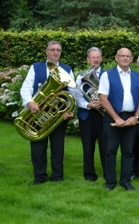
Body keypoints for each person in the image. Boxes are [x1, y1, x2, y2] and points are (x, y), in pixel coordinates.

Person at [20, 40, 75, 185]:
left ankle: (57, 176)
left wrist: (69, 110)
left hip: (57, 115)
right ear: (46, 51)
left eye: (58, 50)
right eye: (52, 49)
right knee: (38, 147)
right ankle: (39, 177)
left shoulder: (67, 69)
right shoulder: (36, 67)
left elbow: (73, 94)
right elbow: (25, 88)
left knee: (58, 148)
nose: (55, 52)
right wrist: (30, 102)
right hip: (37, 114)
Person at [98, 48, 139, 191]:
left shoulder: (138, 76)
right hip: (113, 118)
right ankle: (110, 182)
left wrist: (135, 117)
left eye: (127, 56)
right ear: (116, 58)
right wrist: (116, 118)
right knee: (110, 151)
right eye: (122, 56)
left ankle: (125, 181)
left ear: (131, 59)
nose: (125, 58)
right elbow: (103, 99)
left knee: (129, 152)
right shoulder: (107, 75)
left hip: (131, 118)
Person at [73, 47, 105, 182]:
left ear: (101, 59)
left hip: (104, 115)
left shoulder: (107, 75)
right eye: (93, 57)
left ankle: (107, 171)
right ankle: (89, 174)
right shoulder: (81, 76)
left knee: (106, 145)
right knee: (88, 146)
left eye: (98, 57)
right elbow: (77, 95)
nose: (96, 60)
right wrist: (88, 105)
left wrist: (103, 103)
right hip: (87, 114)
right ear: (88, 59)